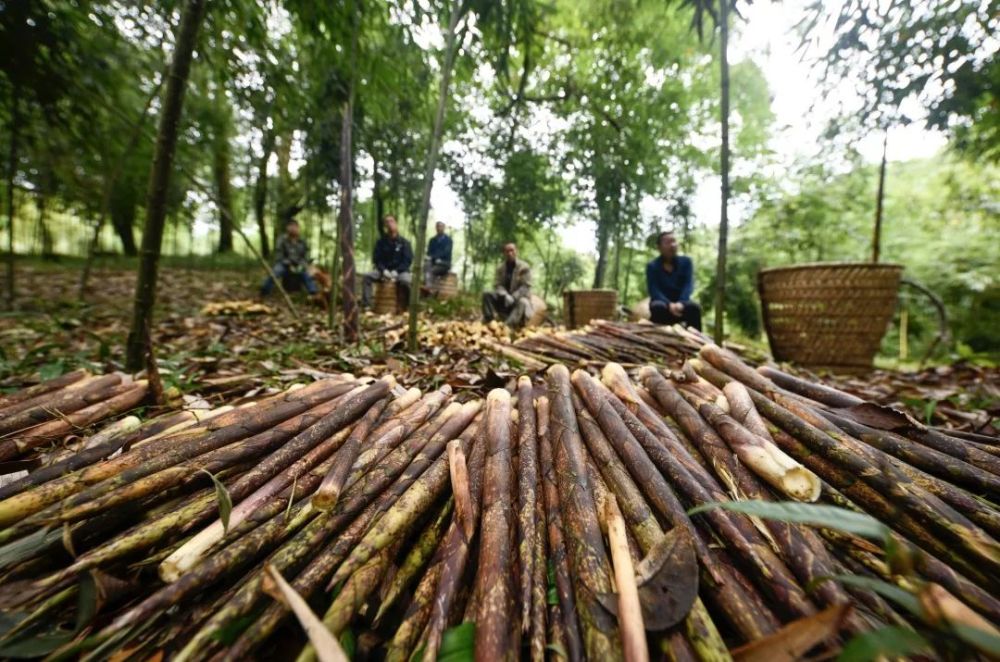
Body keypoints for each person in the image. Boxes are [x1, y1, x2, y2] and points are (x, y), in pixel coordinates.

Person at [646, 230, 702, 330]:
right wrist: (669, 304)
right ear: (659, 247)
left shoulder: (686, 262)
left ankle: (695, 340)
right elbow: (654, 290)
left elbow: (688, 285)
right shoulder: (652, 266)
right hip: (663, 304)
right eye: (667, 242)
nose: (672, 245)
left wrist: (681, 303)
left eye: (674, 241)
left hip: (682, 303)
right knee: (657, 307)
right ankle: (659, 338)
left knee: (694, 308)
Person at [362, 215, 413, 307]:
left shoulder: (405, 242)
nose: (390, 224)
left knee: (407, 282)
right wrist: (383, 270)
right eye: (387, 222)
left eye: (392, 221)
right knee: (367, 277)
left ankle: (408, 307)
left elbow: (407, 261)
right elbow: (377, 259)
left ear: (396, 223)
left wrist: (397, 271)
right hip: (383, 271)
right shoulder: (380, 242)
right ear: (385, 225)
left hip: (400, 272)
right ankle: (367, 305)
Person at [261, 220, 318, 297]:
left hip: (299, 265)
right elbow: (279, 255)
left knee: (307, 273)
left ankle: (313, 293)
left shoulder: (302, 242)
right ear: (287, 228)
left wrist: (302, 264)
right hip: (284, 264)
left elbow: (305, 256)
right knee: (275, 272)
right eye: (291, 226)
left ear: (298, 228)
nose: (293, 228)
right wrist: (288, 264)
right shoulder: (282, 239)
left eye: (295, 226)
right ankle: (264, 292)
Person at [482, 242, 534, 328]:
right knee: (487, 294)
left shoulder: (524, 267)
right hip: (504, 301)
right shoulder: (500, 268)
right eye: (507, 251)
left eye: (512, 250)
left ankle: (507, 326)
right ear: (504, 253)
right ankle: (490, 322)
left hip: (518, 301)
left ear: (516, 251)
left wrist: (514, 297)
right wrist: (505, 295)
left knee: (523, 302)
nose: (510, 253)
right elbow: (498, 284)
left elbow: (526, 286)